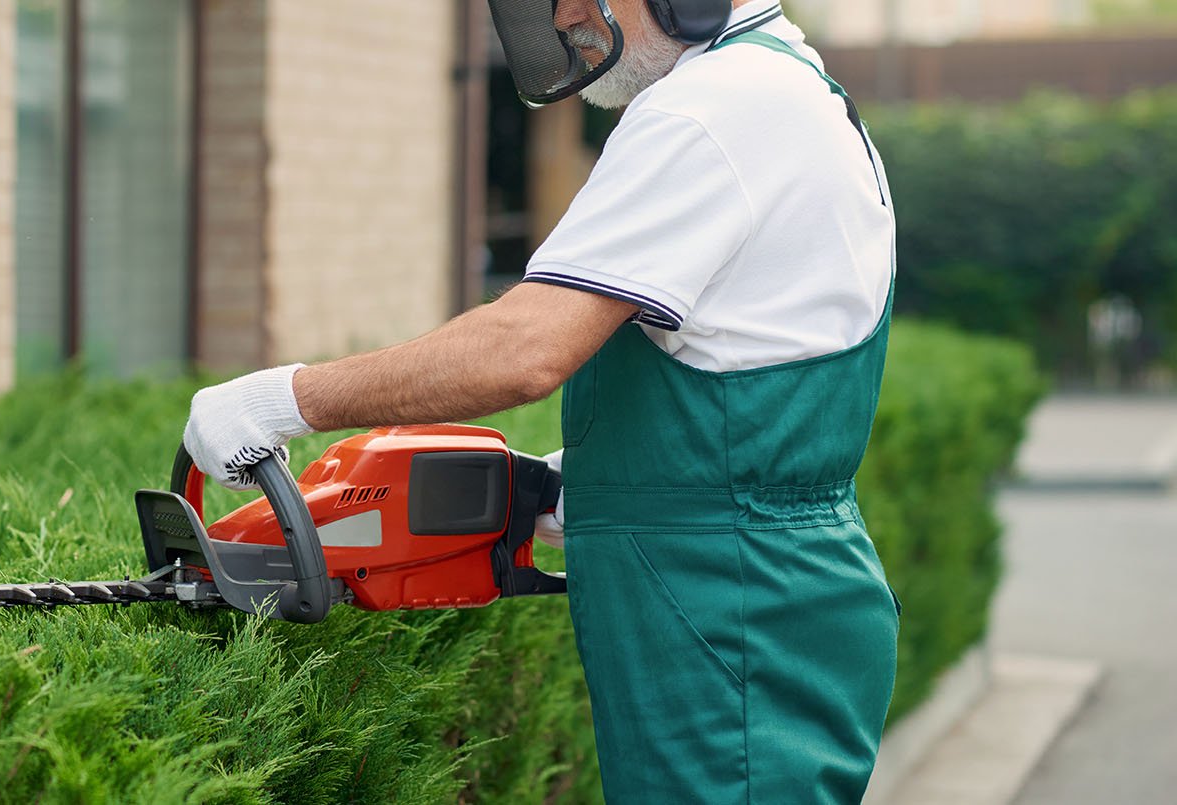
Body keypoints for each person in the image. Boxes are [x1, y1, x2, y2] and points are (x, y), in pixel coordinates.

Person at [181, 0, 900, 801]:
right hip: (766, 589)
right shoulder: (788, 88)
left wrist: (282, 397)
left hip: (726, 611)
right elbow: (759, 368)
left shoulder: (707, 113)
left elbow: (525, 348)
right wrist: (587, 484)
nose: (560, 18)